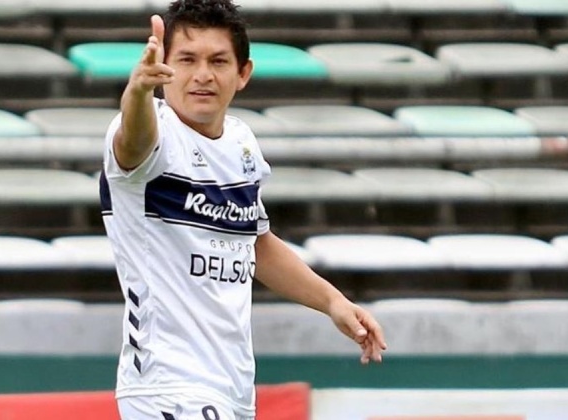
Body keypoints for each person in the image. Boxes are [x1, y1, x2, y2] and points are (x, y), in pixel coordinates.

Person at [100, 1, 387, 418]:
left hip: (231, 387)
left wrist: (333, 302)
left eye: (218, 61)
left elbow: (257, 244)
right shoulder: (154, 135)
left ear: (243, 74)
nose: (202, 74)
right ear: (164, 67)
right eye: (187, 60)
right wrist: (138, 93)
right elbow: (133, 141)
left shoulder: (241, 143)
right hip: (167, 385)